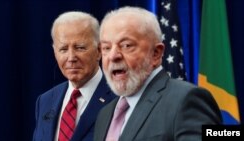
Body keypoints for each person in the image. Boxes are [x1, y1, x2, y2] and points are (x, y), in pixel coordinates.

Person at [94, 6, 222, 141]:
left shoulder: (187, 100)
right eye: (106, 48)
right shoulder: (105, 114)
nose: (113, 56)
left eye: (126, 45)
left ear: (156, 53)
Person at [33, 11, 116, 141]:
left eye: (80, 48)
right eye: (63, 49)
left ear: (100, 51)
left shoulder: (119, 99)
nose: (71, 58)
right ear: (55, 52)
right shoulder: (45, 101)